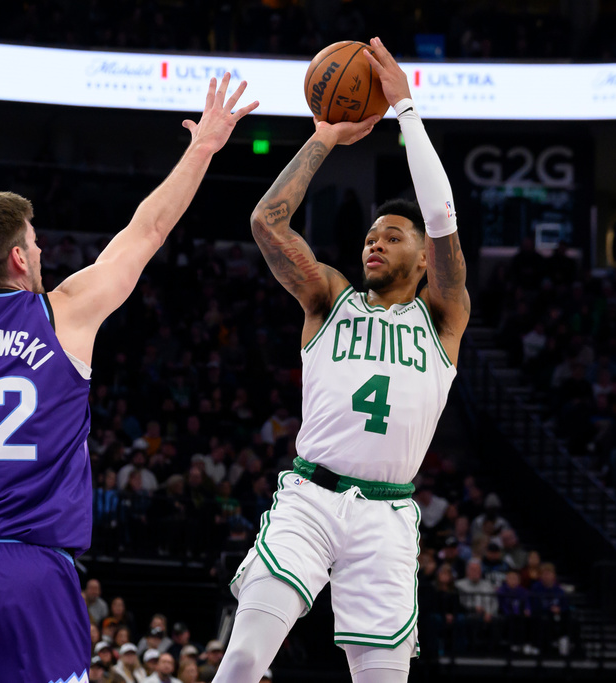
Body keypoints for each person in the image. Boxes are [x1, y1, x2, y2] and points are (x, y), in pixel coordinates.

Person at [0, 75, 257, 683]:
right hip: (26, 572)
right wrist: (203, 148)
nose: (39, 253)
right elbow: (147, 231)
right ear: (17, 257)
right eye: (34, 243)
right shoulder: (64, 314)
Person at [216, 38, 470, 683]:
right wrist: (325, 135)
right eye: (368, 235)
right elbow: (268, 223)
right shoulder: (330, 299)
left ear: (422, 257)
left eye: (392, 235)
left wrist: (406, 109)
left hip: (387, 516)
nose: (374, 242)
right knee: (245, 657)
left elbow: (441, 216)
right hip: (310, 498)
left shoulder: (443, 318)